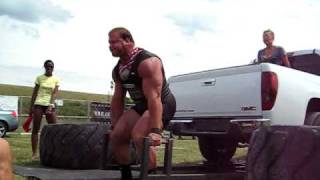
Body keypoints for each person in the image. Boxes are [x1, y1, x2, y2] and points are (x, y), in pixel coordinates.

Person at [108, 27, 176, 179]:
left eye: (114, 42)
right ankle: (126, 176)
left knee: (140, 135)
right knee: (117, 136)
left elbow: (154, 98)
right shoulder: (118, 69)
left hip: (162, 103)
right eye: (109, 43)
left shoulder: (147, 63)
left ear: (128, 41)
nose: (110, 46)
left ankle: (149, 175)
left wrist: (156, 131)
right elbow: (118, 99)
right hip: (142, 105)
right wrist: (115, 125)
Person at [29, 60, 60, 160]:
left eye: (51, 67)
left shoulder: (56, 80)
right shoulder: (39, 78)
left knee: (55, 129)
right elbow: (35, 93)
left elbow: (54, 94)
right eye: (47, 66)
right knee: (35, 129)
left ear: (53, 68)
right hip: (38, 104)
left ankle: (55, 151)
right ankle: (34, 153)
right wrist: (31, 107)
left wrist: (51, 105)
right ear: (44, 67)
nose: (49, 68)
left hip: (49, 104)